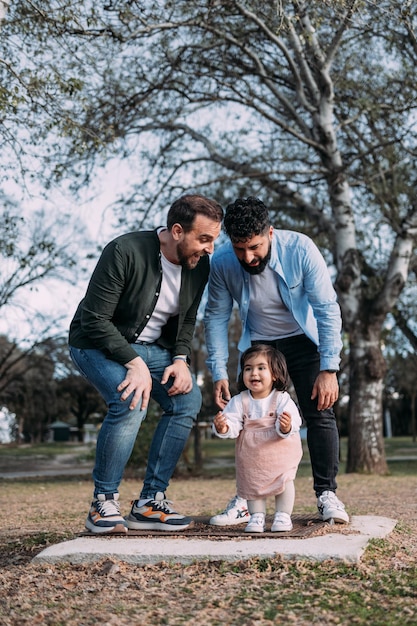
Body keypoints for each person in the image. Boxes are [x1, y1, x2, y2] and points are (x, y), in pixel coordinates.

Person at [69, 194, 223, 534]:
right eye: (204, 239)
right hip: (95, 344)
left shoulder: (200, 266)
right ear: (177, 231)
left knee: (187, 400)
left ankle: (150, 502)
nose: (210, 248)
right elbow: (94, 319)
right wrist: (133, 362)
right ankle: (103, 503)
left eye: (214, 239)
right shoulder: (124, 251)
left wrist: (181, 359)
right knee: (130, 400)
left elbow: (187, 319)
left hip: (153, 349)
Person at [204, 196, 349, 526]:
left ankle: (327, 494)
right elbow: (215, 317)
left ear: (270, 232)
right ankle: (245, 499)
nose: (248, 257)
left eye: (254, 247)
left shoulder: (300, 249)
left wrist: (329, 367)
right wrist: (218, 371)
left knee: (319, 412)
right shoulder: (224, 262)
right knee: (249, 417)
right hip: (260, 344)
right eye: (240, 249)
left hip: (304, 341)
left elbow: (327, 309)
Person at [213, 344, 303, 533]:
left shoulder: (282, 398)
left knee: (284, 481)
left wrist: (286, 425)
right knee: (252, 484)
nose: (254, 373)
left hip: (280, 452)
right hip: (252, 455)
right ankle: (256, 516)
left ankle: (283, 515)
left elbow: (295, 420)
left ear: (275, 374)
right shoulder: (239, 400)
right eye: (248, 368)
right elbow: (233, 424)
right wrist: (223, 426)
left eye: (261, 368)